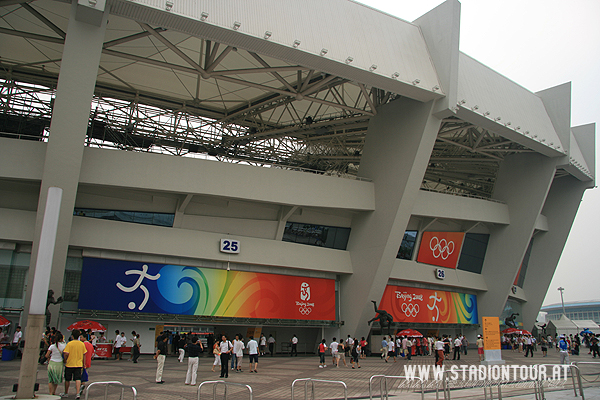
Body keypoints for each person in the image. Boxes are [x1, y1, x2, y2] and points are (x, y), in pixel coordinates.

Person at [61, 329, 87, 400]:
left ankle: (66, 392)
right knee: (78, 379)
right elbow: (84, 354)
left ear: (72, 336)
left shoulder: (69, 344)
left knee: (67, 379)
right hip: (78, 364)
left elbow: (66, 353)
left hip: (69, 364)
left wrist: (65, 359)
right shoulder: (82, 344)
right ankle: (78, 393)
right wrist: (84, 363)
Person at [45, 332, 66, 396]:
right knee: (56, 379)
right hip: (59, 363)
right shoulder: (64, 346)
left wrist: (49, 360)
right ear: (61, 339)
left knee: (50, 379)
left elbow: (46, 355)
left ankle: (50, 392)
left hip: (51, 363)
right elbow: (65, 355)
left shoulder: (52, 346)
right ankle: (54, 391)